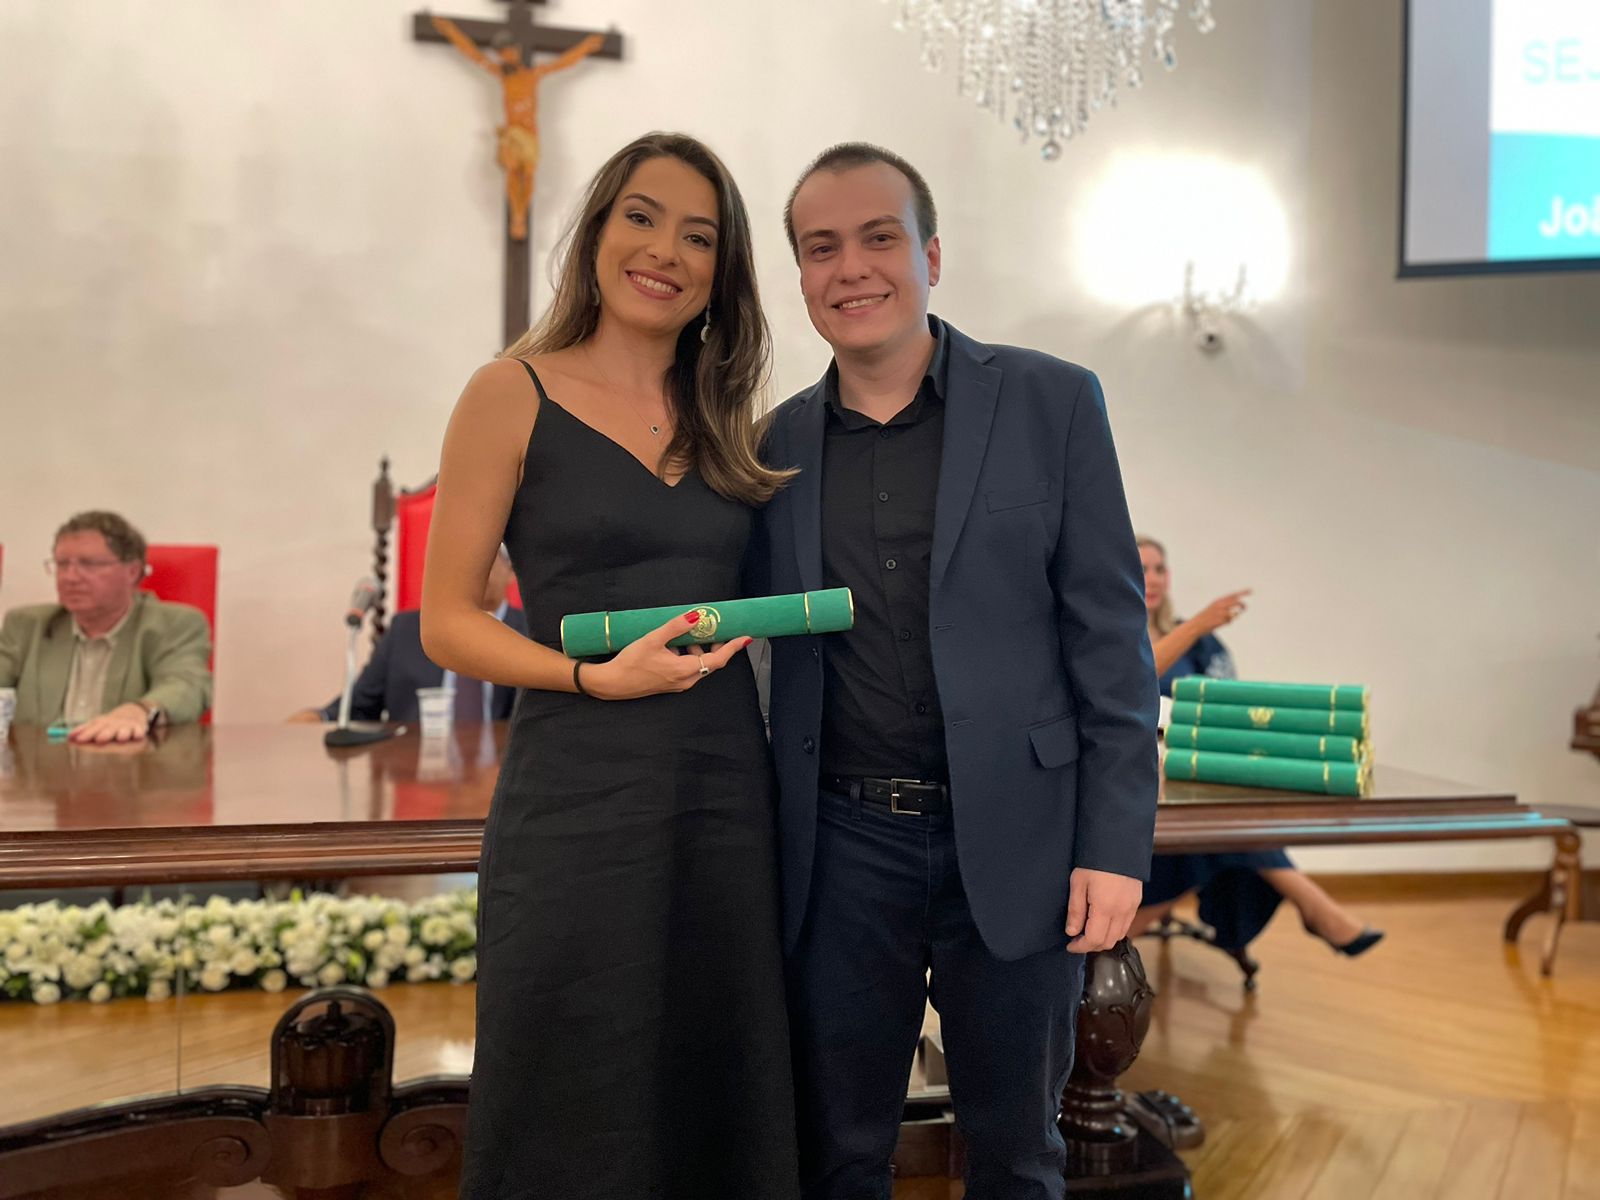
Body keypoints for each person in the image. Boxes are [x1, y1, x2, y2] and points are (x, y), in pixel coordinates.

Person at [752, 143, 1158, 1200]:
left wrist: (1113, 845)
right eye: (821, 248)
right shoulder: (771, 449)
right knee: (838, 1153)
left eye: (878, 238)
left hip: (1024, 837)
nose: (851, 268)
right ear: (800, 276)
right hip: (841, 850)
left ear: (930, 256)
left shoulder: (1052, 401)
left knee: (1019, 1154)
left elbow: (1110, 639)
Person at [420, 132, 798, 1199]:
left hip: (724, 789)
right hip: (578, 788)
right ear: (595, 232)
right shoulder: (509, 390)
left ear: (722, 273)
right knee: (570, 1072)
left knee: (714, 1067)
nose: (665, 251)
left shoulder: (729, 420)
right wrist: (592, 677)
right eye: (641, 217)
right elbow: (446, 621)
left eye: (699, 236)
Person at [1133, 535, 1382, 957]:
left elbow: (1226, 702)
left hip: (1194, 772)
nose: (1153, 578)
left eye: (1160, 568)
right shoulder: (1118, 639)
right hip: (1138, 781)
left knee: (1228, 821)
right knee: (1224, 832)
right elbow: (1130, 683)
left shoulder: (1202, 642)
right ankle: (1315, 906)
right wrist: (1198, 625)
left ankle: (1123, 933)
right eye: (1141, 568)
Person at [0, 511, 211, 744]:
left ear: (132, 571)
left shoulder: (174, 625)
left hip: (131, 763)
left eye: (88, 564)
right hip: (39, 763)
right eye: (62, 564)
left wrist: (139, 711)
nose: (70, 577)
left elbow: (187, 686)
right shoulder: (26, 625)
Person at [289, 546, 525, 724]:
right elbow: (359, 706)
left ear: (511, 570)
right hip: (415, 766)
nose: (468, 568)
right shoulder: (406, 630)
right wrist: (319, 717)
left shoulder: (530, 632)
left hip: (504, 767)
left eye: (483, 556)